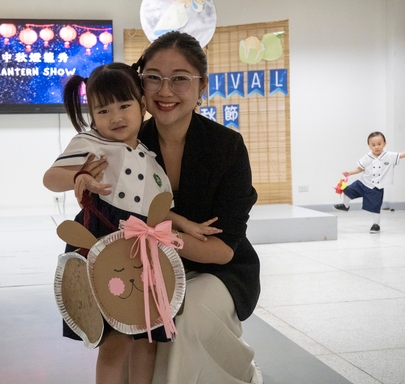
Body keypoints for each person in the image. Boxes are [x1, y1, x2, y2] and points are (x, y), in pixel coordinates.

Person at [43, 62, 221, 384]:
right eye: (103, 110)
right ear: (92, 116)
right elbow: (51, 178)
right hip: (105, 248)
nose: (116, 117)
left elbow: (156, 210)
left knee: (147, 340)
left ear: (142, 104)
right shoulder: (90, 144)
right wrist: (81, 177)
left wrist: (186, 225)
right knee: (115, 341)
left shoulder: (149, 156)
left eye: (124, 105)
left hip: (145, 253)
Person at [133, 31, 262, 383]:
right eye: (153, 78)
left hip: (220, 271)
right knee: (139, 339)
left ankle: (243, 373)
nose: (164, 91)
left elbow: (221, 250)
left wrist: (156, 235)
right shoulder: (128, 145)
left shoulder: (227, 147)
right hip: (143, 270)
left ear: (202, 85)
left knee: (185, 318)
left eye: (179, 79)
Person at [334, 131, 405, 233]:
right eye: (373, 145)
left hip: (376, 187)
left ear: (384, 143)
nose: (376, 147)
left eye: (379, 144)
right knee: (346, 190)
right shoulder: (367, 157)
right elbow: (360, 168)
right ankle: (346, 206)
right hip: (363, 183)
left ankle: (376, 225)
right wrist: (350, 173)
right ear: (369, 145)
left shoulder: (389, 156)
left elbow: (401, 155)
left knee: (375, 207)